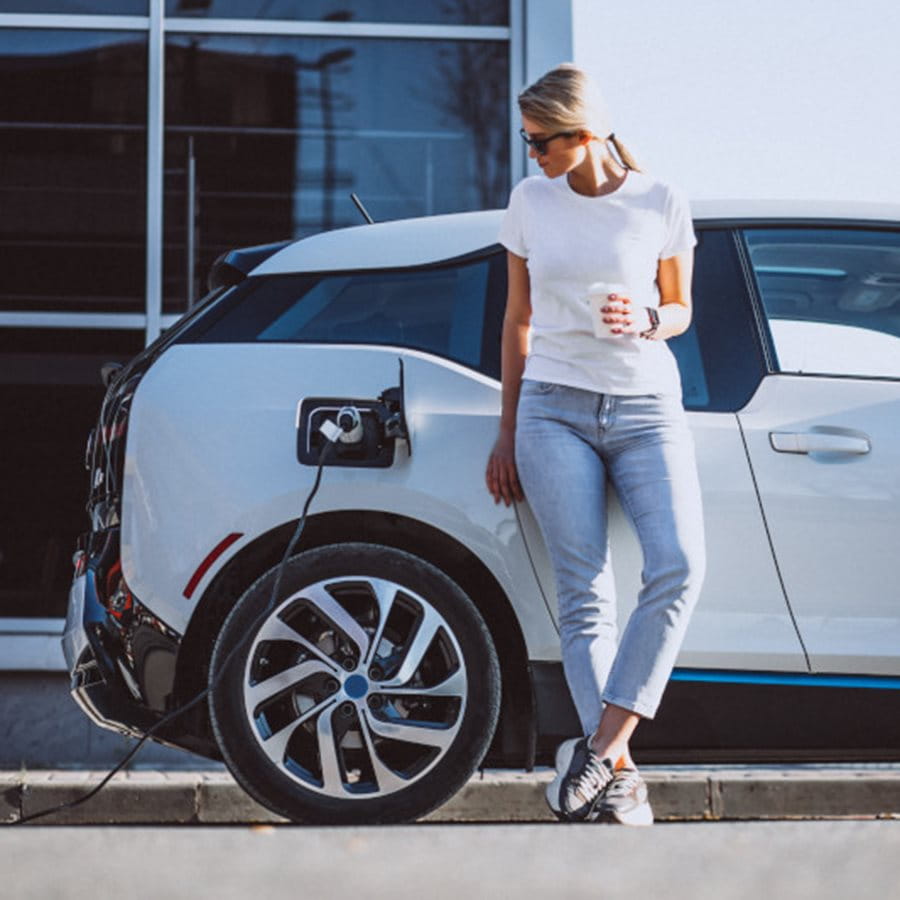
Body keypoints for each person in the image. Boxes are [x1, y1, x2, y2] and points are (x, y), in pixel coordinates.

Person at [485, 64, 706, 826]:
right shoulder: (530, 201)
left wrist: (646, 318)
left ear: (583, 135)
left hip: (647, 408)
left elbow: (681, 307)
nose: (532, 156)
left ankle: (600, 753)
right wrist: (508, 429)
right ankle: (620, 779)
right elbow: (517, 320)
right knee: (585, 596)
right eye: (528, 142)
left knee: (680, 564)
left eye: (541, 142)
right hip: (552, 410)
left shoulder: (660, 200)